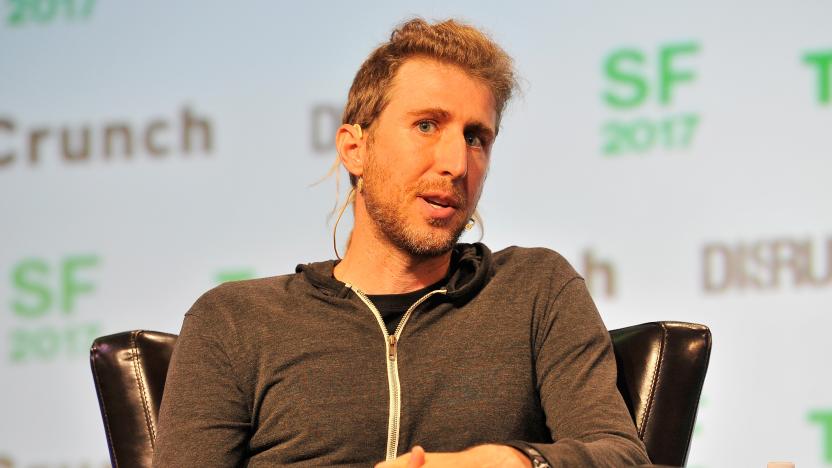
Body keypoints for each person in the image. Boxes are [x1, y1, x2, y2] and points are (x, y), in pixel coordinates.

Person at [153, 18, 651, 468]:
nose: (457, 162)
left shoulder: (535, 290)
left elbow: (621, 457)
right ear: (355, 149)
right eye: (427, 125)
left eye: (477, 137)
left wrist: (509, 463)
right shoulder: (236, 321)